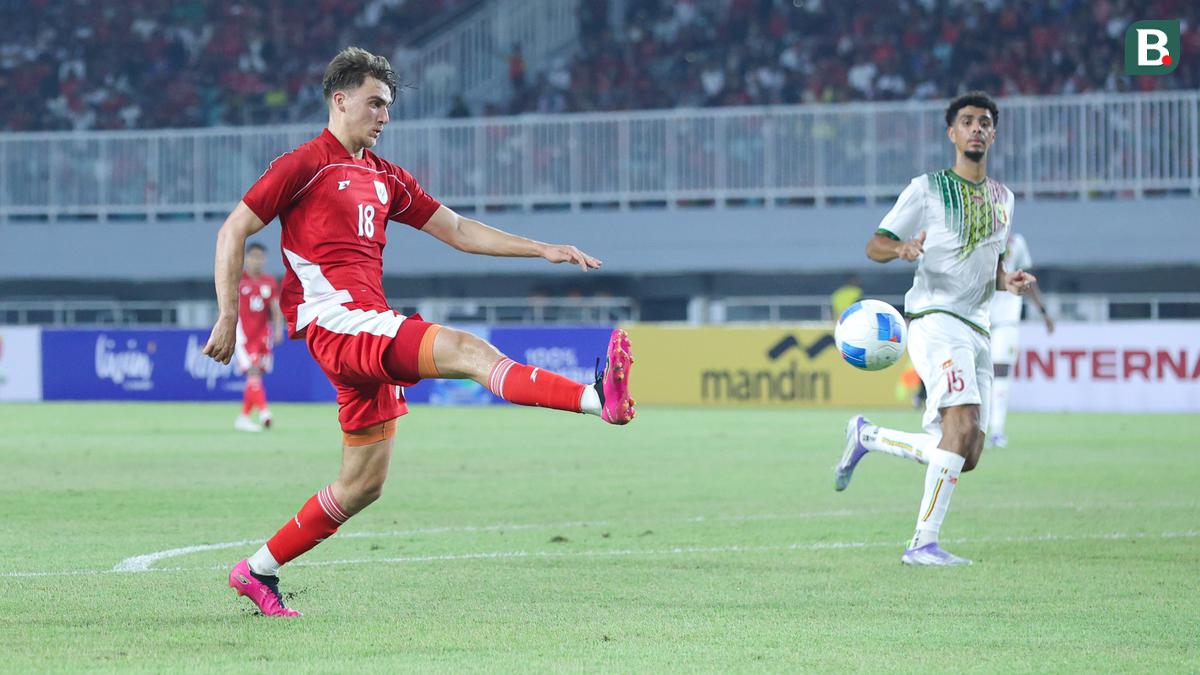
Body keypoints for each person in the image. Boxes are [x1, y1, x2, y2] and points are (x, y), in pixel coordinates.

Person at [202, 47, 636, 617]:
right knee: (465, 348)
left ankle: (255, 571)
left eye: (389, 106)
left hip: (365, 328)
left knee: (361, 486)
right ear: (340, 100)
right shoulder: (305, 164)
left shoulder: (384, 176)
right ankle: (594, 397)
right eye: (375, 103)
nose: (385, 116)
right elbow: (235, 228)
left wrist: (541, 249)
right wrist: (228, 314)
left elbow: (455, 229)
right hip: (339, 323)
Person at [831, 92, 1037, 566]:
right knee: (959, 424)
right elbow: (874, 244)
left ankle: (869, 437)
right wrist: (901, 249)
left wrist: (1007, 280)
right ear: (952, 133)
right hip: (935, 321)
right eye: (967, 122)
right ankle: (922, 543)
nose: (977, 129)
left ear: (994, 134)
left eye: (985, 122)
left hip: (979, 328)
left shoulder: (1005, 199)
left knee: (967, 453)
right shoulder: (926, 189)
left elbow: (995, 260)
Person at [987, 231, 1053, 448]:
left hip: (1007, 320)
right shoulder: (978, 238)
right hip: (978, 318)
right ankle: (978, 428)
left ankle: (997, 430)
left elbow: (1029, 281)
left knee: (1001, 371)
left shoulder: (1017, 243)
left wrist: (1043, 311)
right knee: (979, 375)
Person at [233, 241, 284, 432]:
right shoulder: (239, 280)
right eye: (253, 257)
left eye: (260, 257)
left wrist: (278, 329)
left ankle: (243, 417)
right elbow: (230, 307)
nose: (257, 261)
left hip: (263, 336)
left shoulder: (269, 281)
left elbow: (275, 308)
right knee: (253, 371)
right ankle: (264, 413)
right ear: (247, 258)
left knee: (255, 377)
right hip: (244, 336)